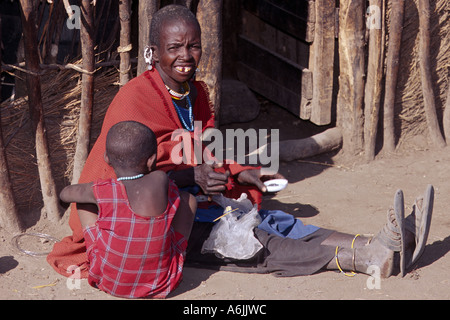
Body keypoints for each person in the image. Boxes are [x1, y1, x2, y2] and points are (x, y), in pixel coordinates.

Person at [48, 4, 433, 284]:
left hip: (185, 201)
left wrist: (237, 172)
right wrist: (192, 176)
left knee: (274, 220)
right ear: (153, 51)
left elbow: (204, 150)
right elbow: (124, 178)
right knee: (254, 242)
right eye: (175, 47)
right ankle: (362, 258)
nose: (186, 56)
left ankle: (378, 242)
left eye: (193, 46)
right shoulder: (136, 99)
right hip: (147, 224)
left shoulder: (194, 93)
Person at [59, 121, 197, 298]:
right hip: (162, 284)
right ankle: (178, 255)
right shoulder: (160, 179)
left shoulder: (103, 188)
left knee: (84, 200)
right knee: (188, 200)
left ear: (107, 159)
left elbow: (67, 193)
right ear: (152, 160)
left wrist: (63, 201)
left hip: (108, 282)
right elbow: (174, 196)